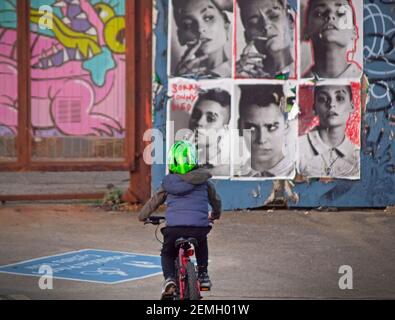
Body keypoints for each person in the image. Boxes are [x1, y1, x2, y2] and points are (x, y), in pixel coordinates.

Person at [138, 141, 222, 299]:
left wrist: (143, 216)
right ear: (194, 160)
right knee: (201, 242)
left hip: (174, 229)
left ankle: (170, 279)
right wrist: (215, 215)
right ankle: (203, 275)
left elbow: (153, 202)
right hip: (199, 228)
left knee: (168, 253)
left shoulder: (168, 183)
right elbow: (216, 202)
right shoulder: (204, 181)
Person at [298, 85, 360, 177]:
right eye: (322, 99)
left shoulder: (358, 157)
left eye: (339, 98)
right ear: (314, 108)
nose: (331, 104)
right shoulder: (297, 148)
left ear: (351, 106)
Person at [236, 85, 295, 177]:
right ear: (239, 127)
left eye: (271, 127)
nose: (261, 140)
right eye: (252, 128)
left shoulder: (301, 176)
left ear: (286, 127)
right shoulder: (232, 175)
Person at [236, 0, 296, 79]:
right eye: (254, 23)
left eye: (273, 16)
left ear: (290, 21)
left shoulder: (306, 73)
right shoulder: (242, 77)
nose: (266, 25)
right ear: (247, 37)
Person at [171, 0, 232, 78]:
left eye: (208, 18)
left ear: (226, 27)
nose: (200, 28)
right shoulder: (177, 78)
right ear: (180, 37)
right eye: (188, 24)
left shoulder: (242, 74)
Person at [302, 0, 362, 78]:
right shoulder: (298, 87)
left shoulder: (368, 85)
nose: (330, 15)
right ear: (306, 31)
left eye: (341, 13)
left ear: (354, 32)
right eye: (319, 13)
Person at [187, 88, 231, 176]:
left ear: (224, 130)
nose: (199, 122)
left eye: (210, 118)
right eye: (196, 114)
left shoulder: (229, 169)